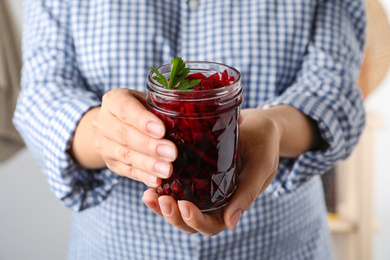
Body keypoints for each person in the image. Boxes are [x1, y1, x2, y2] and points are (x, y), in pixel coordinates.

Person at [14, 0, 366, 259]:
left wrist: (273, 125)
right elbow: (42, 93)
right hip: (115, 247)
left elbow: (334, 88)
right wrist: (104, 135)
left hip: (282, 244)